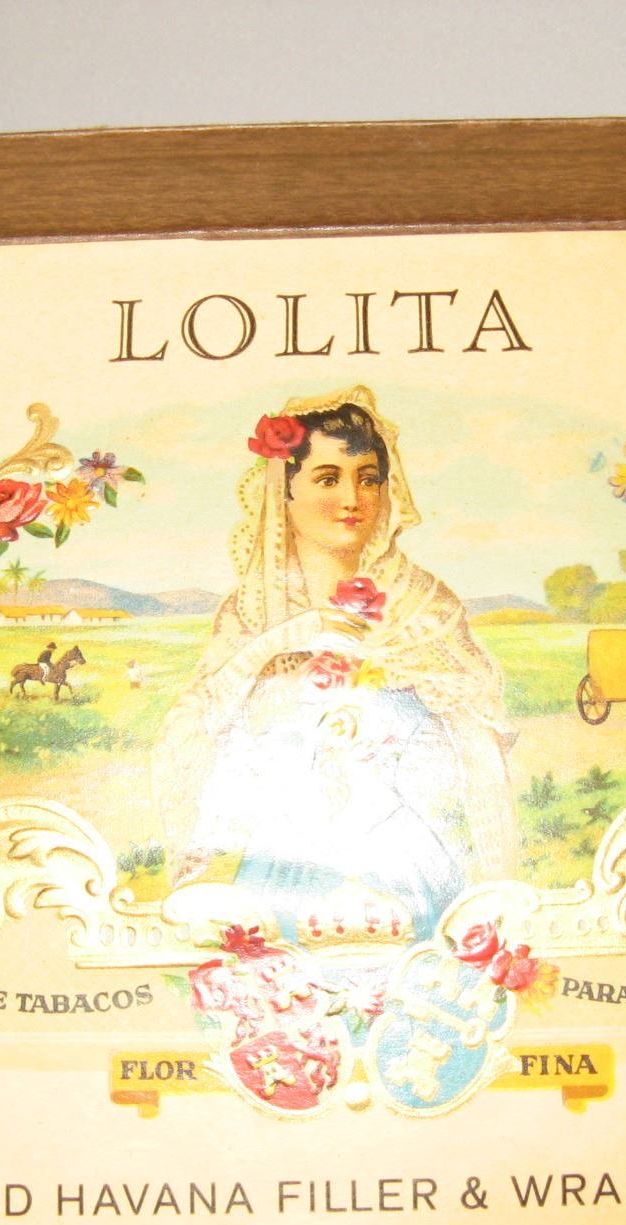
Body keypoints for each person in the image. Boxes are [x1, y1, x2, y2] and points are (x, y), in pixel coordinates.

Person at [152, 387, 516, 942]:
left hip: (405, 867)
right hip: (279, 870)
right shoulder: (251, 613)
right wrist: (283, 640)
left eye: (368, 478)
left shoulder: (425, 606)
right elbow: (195, 732)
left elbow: (479, 752)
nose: (352, 498)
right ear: (285, 492)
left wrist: (499, 883)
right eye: (327, 479)